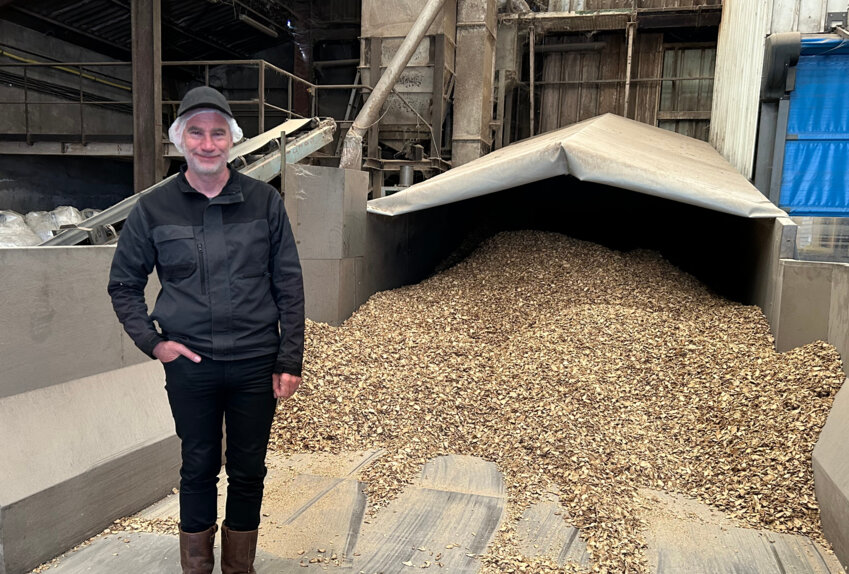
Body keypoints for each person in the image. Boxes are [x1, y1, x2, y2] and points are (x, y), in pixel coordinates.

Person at [108, 86, 304, 574]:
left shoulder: (264, 202)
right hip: (191, 365)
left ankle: (240, 567)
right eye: (196, 132)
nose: (208, 143)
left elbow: (289, 284)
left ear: (232, 140)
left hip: (256, 363)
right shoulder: (153, 210)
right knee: (197, 467)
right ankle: (195, 568)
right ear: (180, 140)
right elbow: (123, 284)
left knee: (248, 470)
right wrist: (155, 343)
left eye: (219, 133)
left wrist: (289, 358)